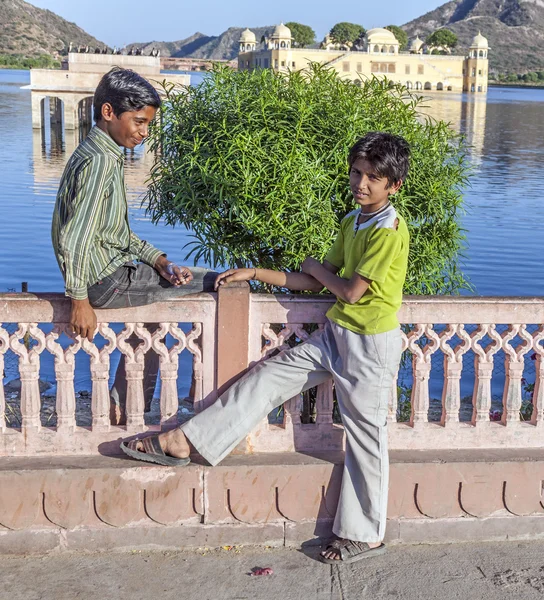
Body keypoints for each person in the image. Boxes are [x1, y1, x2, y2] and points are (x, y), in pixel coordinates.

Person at [121, 131, 411, 565]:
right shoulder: (354, 221)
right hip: (336, 335)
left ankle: (364, 534)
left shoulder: (388, 230)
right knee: (267, 378)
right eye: (356, 172)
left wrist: (315, 266)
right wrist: (253, 272)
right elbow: (312, 281)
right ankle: (185, 442)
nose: (360, 183)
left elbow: (349, 291)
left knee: (367, 438)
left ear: (393, 186)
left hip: (370, 346)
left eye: (372, 177)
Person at [51, 67, 216, 424]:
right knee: (215, 282)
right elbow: (75, 235)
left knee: (169, 296)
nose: (144, 132)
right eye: (138, 122)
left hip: (109, 270)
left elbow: (113, 232)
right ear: (109, 112)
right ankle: (130, 406)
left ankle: (123, 403)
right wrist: (79, 300)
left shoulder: (97, 152)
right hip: (105, 280)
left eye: (148, 125)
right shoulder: (99, 162)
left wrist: (157, 260)